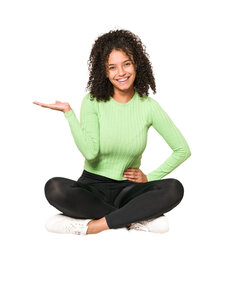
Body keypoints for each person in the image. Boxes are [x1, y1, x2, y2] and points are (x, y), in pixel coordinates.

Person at [33, 29, 191, 235]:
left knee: (174, 188)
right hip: (92, 189)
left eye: (127, 63)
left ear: (136, 64)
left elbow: (182, 149)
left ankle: (93, 225)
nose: (121, 73)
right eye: (112, 67)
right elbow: (91, 153)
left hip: (130, 190)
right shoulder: (92, 102)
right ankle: (133, 218)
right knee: (54, 188)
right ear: (104, 72)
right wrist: (69, 114)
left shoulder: (149, 106)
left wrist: (149, 177)